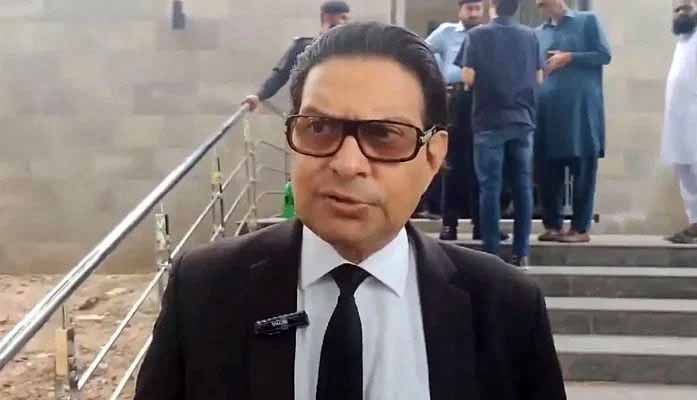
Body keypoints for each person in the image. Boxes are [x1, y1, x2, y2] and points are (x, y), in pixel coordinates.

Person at [134, 22, 565, 400]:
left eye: (384, 135)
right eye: (319, 128)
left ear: (433, 156)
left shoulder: (505, 307)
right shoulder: (204, 289)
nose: (346, 163)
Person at [459, 0, 542, 266]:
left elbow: (468, 78)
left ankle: (491, 253)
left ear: (493, 5)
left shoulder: (477, 35)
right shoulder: (531, 36)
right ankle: (522, 252)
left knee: (490, 188)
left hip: (488, 120)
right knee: (522, 186)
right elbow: (539, 78)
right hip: (522, 119)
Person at [428, 0, 509, 242]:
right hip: (456, 100)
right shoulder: (446, 32)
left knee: (482, 165)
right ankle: (449, 224)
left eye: (477, 9)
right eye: (469, 8)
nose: (474, 13)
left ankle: (482, 224)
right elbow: (421, 52)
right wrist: (436, 78)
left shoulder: (488, 34)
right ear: (460, 10)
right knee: (453, 164)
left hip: (484, 99)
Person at [535, 0, 612, 243]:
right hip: (548, 111)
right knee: (547, 171)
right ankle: (553, 225)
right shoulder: (538, 33)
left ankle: (580, 229)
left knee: (583, 170)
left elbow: (604, 55)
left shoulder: (587, 21)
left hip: (581, 111)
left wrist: (569, 57)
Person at [240, 1, 351, 112]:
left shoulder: (354, 51)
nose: (342, 24)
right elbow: (281, 75)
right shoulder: (304, 47)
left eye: (345, 19)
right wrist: (259, 95)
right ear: (324, 18)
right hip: (309, 112)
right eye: (334, 24)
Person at [662, 0, 697, 244]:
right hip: (678, 115)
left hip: (696, 113)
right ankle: (696, 222)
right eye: (677, 8)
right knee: (683, 167)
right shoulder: (685, 37)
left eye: (686, 6)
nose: (680, 11)